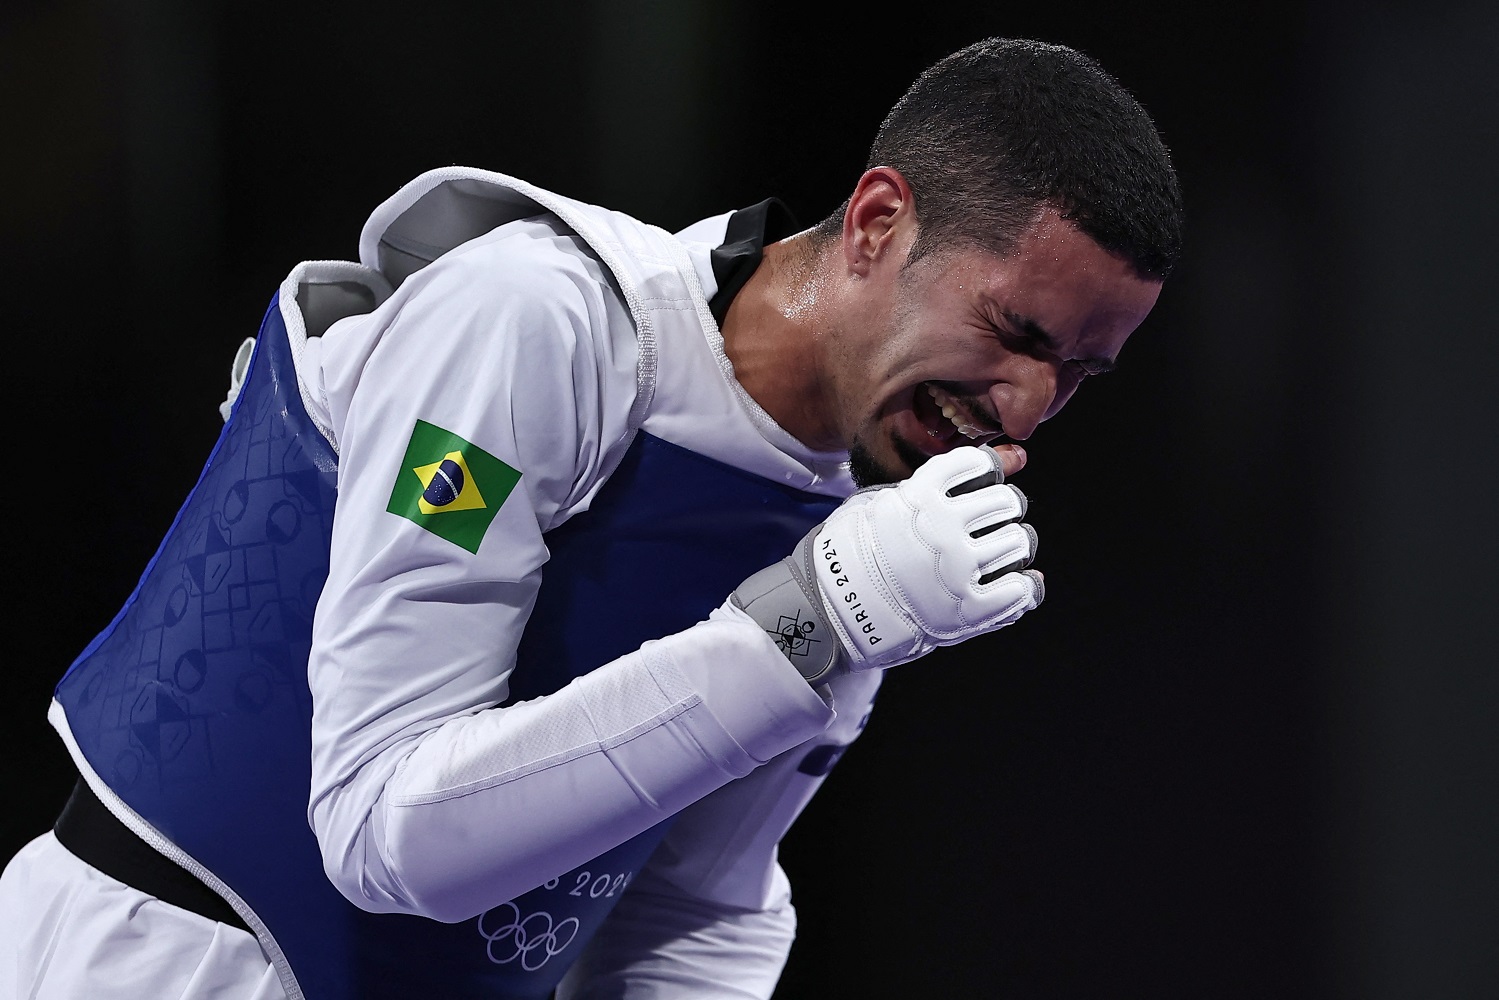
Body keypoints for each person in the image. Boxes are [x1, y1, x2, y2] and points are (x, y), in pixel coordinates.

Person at [0, 36, 1181, 1000]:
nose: (1027, 410)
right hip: (160, 965)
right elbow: (378, 831)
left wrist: (826, 615)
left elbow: (693, 908)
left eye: (1080, 372)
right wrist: (812, 620)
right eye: (1016, 333)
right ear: (877, 222)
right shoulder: (532, 324)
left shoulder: (858, 528)